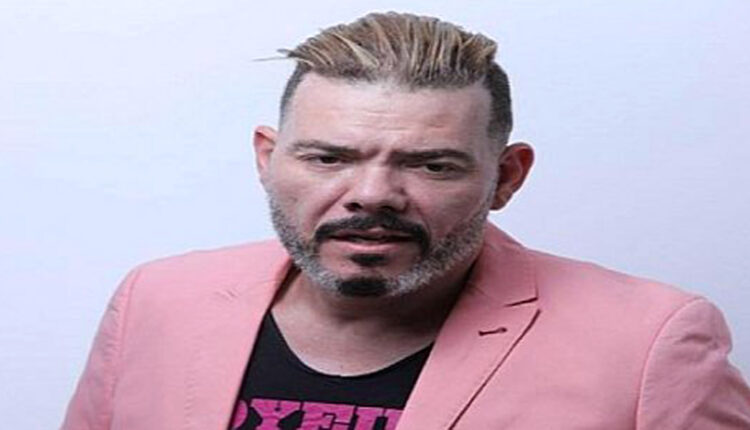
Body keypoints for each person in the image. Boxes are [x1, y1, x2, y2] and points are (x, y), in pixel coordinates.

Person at [62, 12, 750, 430]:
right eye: (329, 157)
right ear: (268, 159)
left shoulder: (648, 343)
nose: (373, 196)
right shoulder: (156, 301)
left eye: (431, 165)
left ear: (507, 177)